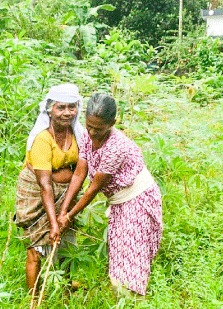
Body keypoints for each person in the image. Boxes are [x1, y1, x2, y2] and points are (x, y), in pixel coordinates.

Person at [57, 93, 163, 296]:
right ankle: (123, 299)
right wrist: (64, 210)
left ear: (112, 123)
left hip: (138, 199)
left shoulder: (116, 147)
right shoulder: (87, 136)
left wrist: (69, 216)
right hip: (120, 201)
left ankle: (130, 304)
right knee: (119, 251)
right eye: (89, 126)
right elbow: (79, 173)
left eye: (98, 129)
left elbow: (93, 189)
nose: (92, 132)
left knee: (131, 253)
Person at [15, 84, 88, 291]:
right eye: (61, 107)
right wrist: (54, 222)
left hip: (67, 196)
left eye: (72, 107)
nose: (67, 113)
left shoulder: (78, 135)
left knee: (66, 245)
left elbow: (80, 172)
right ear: (50, 110)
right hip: (38, 197)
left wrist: (64, 213)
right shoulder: (42, 139)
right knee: (35, 249)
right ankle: (33, 299)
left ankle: (66, 291)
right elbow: (45, 184)